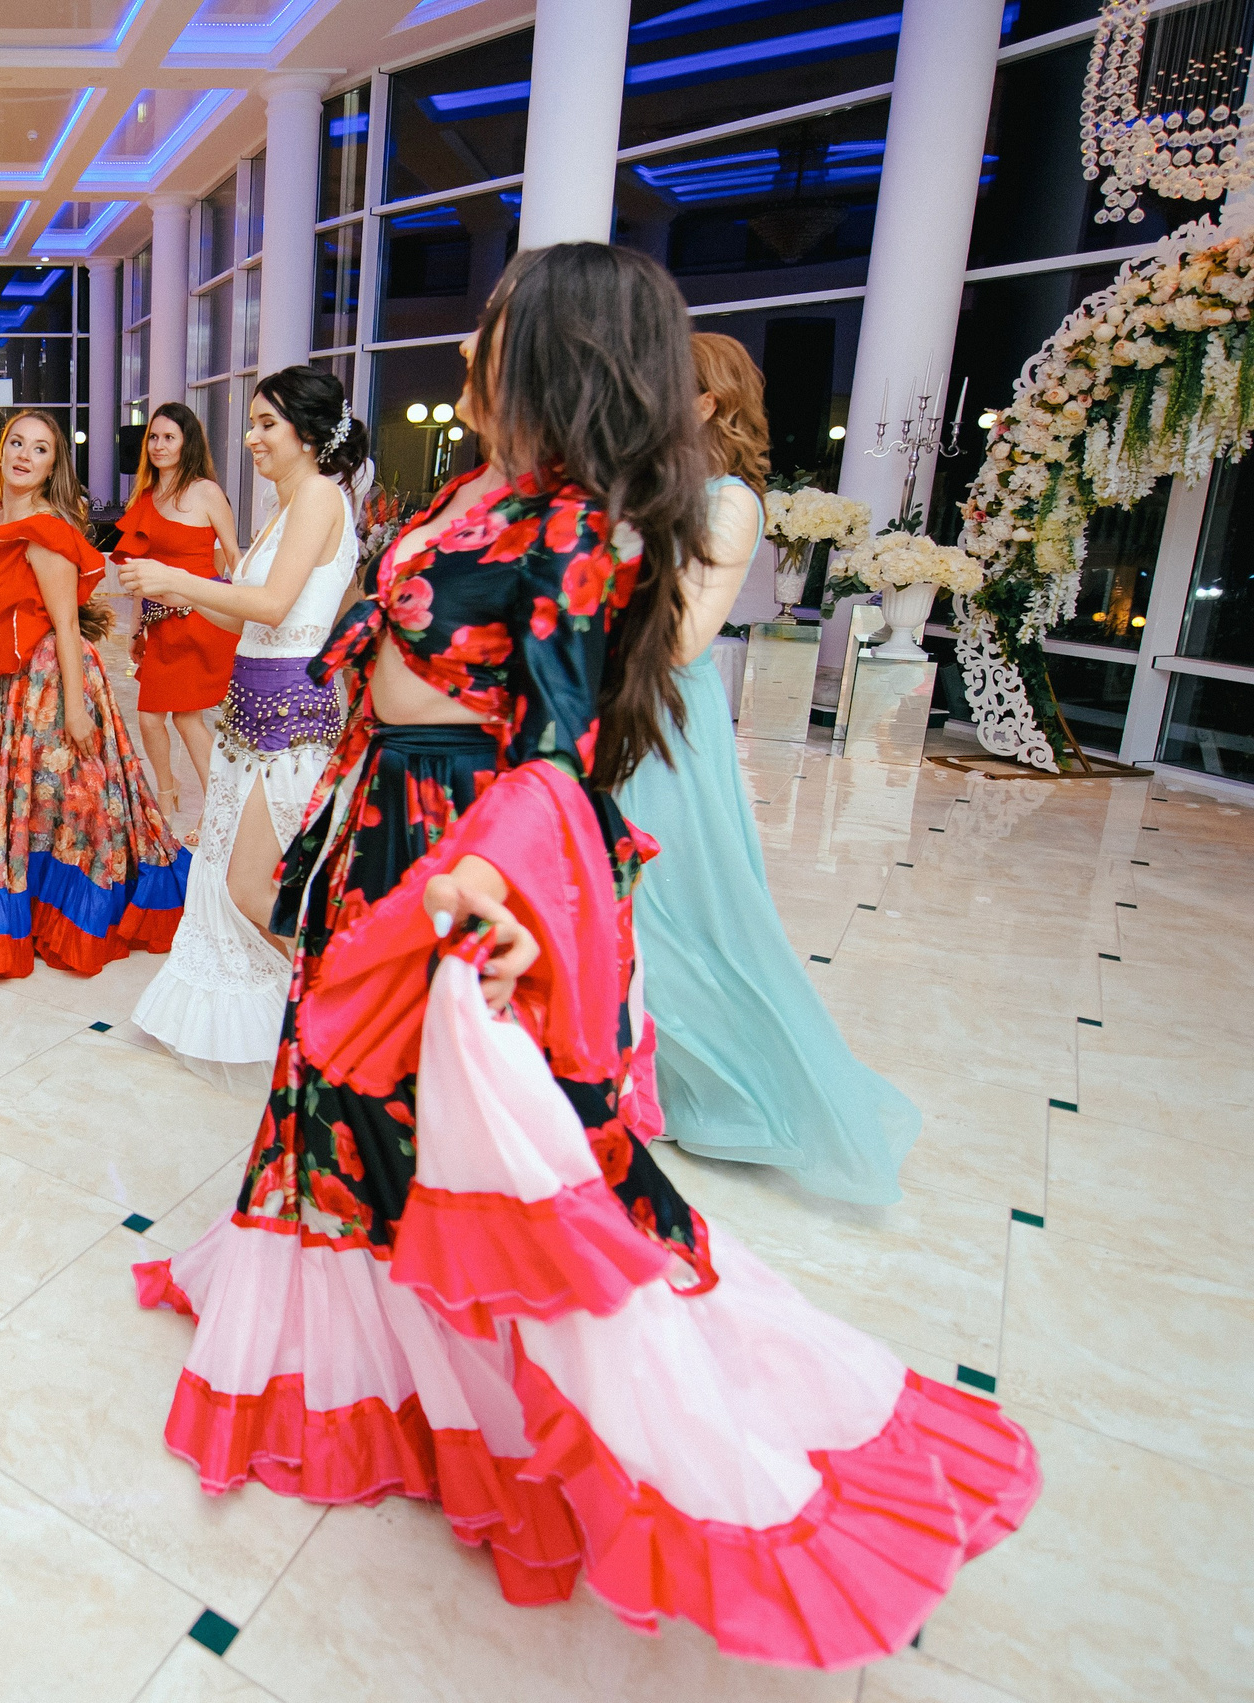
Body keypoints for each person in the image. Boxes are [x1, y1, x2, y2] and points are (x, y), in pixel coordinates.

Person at [134, 244, 1038, 1668]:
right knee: (348, 1105)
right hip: (379, 807)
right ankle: (366, 1362)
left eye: (495, 336)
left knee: (494, 1151)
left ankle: (559, 1410)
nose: (469, 360)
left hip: (464, 841)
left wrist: (492, 881)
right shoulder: (473, 491)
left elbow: (562, 745)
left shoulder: (592, 525)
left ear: (562, 356)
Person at [619, 334, 921, 1203]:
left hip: (664, 717)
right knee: (615, 903)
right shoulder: (642, 489)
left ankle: (739, 1093)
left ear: (708, 403)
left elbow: (682, 636)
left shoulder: (729, 502)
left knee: (680, 908)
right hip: (611, 706)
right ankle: (636, 1074)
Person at [0, 409, 187, 980]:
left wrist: (77, 709)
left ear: (54, 466)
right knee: (18, 794)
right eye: (16, 443)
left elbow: (67, 627)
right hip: (1, 684)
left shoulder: (46, 530)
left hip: (49, 680)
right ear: (0, 453)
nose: (24, 455)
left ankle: (78, 907)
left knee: (74, 799)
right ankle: (23, 900)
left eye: (41, 449)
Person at [121, 374, 355, 1066]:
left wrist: (178, 581)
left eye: (265, 425)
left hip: (291, 714)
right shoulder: (285, 506)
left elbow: (278, 605)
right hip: (253, 709)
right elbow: (238, 611)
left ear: (307, 435)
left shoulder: (317, 494)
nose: (250, 438)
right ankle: (313, 1003)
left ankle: (340, 1003)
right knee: (228, 871)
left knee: (250, 885)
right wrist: (182, 594)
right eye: (252, 424)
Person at [110, 403, 239, 836]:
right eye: (154, 437)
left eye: (169, 437)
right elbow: (138, 577)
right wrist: (135, 629)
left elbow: (234, 558)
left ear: (187, 443)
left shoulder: (205, 492)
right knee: (149, 718)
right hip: (160, 623)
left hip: (202, 621)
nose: (159, 445)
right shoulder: (146, 498)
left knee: (185, 718)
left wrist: (245, 614)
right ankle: (167, 789)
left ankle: (214, 807)